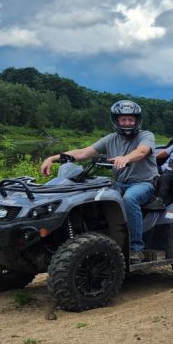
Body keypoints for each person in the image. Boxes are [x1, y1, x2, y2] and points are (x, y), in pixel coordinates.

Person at [40, 100, 157, 262]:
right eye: (123, 119)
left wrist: (126, 158)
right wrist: (52, 158)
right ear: (116, 121)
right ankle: (97, 240)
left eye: (131, 119)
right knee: (95, 195)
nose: (127, 123)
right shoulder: (110, 139)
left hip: (144, 183)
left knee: (129, 199)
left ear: (137, 120)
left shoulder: (146, 136)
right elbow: (83, 153)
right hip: (119, 183)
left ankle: (136, 249)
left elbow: (142, 151)